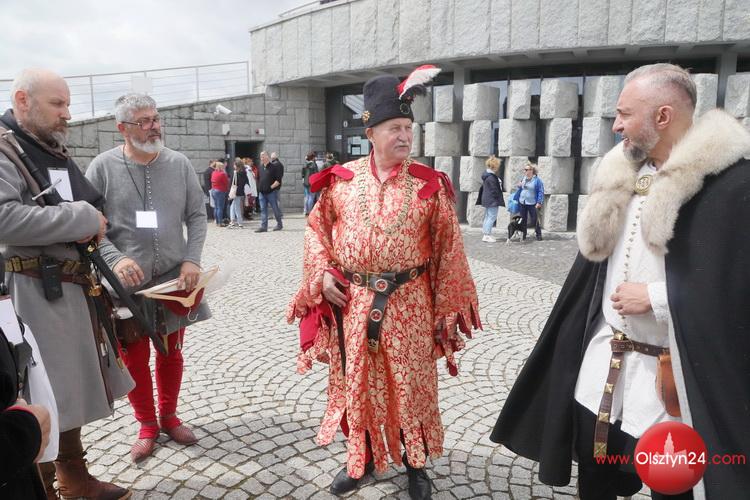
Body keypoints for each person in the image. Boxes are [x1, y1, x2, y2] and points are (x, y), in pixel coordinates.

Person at [490, 63, 750, 500]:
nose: (616, 125)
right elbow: (591, 277)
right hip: (603, 372)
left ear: (662, 116)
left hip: (675, 384)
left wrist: (659, 298)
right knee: (596, 482)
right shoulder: (622, 178)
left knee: (675, 488)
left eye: (625, 114)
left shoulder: (732, 186)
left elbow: (738, 288)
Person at [287, 65, 480, 500]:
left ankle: (416, 463)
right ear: (371, 132)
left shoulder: (429, 185)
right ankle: (363, 458)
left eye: (408, 128)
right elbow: (316, 230)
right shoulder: (341, 182)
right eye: (395, 128)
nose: (404, 136)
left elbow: (450, 250)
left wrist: (447, 310)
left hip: (410, 303)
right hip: (353, 305)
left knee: (410, 386)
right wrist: (323, 272)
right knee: (358, 382)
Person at [0, 68, 133, 499]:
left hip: (68, 288)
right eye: (57, 103)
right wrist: (81, 218)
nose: (67, 113)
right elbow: (4, 219)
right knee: (39, 389)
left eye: (68, 104)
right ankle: (40, 488)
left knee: (68, 388)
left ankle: (74, 478)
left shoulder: (46, 149)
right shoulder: (4, 150)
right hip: (31, 292)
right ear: (23, 100)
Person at [86, 93, 210, 463]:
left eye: (156, 118)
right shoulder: (102, 168)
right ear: (122, 128)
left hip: (174, 281)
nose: (154, 126)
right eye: (144, 121)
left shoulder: (179, 164)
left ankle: (169, 416)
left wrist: (191, 260)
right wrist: (116, 259)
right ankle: (146, 425)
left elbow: (197, 216)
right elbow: (89, 226)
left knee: (171, 352)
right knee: (135, 358)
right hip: (126, 287)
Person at [476, 155, 504, 243]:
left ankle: (486, 234)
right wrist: (498, 198)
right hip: (492, 200)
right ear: (495, 166)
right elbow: (494, 190)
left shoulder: (487, 175)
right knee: (491, 217)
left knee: (488, 217)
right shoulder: (491, 177)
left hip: (488, 199)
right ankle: (487, 235)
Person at [255, 150, 284, 232]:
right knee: (263, 209)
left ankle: (279, 224)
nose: (262, 158)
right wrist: (259, 188)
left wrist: (270, 187)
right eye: (261, 157)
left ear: (268, 157)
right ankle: (264, 227)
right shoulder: (260, 167)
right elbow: (258, 179)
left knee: (275, 209)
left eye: (263, 156)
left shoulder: (274, 167)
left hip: (271, 193)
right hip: (262, 193)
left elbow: (278, 180)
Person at [516, 162, 544, 241]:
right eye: (525, 170)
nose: (525, 171)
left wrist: (539, 202)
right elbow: (521, 188)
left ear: (532, 170)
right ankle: (523, 235)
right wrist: (519, 185)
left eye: (527, 169)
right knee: (523, 219)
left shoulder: (537, 180)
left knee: (535, 219)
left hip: (532, 203)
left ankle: (538, 234)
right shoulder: (523, 179)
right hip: (522, 201)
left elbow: (541, 191)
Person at [228, 158, 248, 228]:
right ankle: (232, 222)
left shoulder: (235, 173)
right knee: (232, 206)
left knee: (236, 208)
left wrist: (229, 192)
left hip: (235, 192)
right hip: (241, 191)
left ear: (237, 166)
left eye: (234, 165)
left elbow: (231, 183)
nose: (233, 166)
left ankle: (240, 223)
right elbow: (246, 182)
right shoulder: (244, 173)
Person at [210, 160, 229, 227]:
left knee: (216, 207)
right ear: (220, 167)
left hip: (213, 190)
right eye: (222, 166)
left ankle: (217, 221)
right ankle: (220, 223)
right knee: (220, 208)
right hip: (220, 191)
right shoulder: (222, 174)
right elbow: (226, 183)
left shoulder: (213, 173)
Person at [301, 151, 318, 215]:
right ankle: (310, 211)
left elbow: (302, 173)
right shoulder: (314, 164)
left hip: (305, 182)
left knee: (307, 196)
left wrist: (303, 179)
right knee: (311, 197)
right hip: (312, 182)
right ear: (312, 157)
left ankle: (305, 211)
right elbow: (316, 174)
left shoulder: (305, 164)